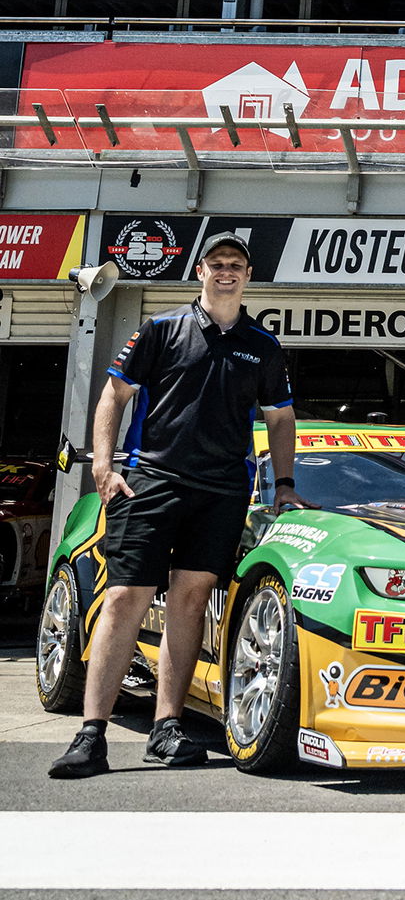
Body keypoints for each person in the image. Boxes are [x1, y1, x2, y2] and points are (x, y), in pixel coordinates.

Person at [49, 232, 313, 779]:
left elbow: (281, 419)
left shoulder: (263, 346)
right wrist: (103, 465)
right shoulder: (161, 329)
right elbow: (113, 394)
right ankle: (91, 734)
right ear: (200, 271)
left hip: (221, 491)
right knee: (124, 598)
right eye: (216, 264)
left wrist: (284, 482)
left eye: (236, 265)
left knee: (189, 602)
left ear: (247, 275)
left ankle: (167, 729)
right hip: (152, 482)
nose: (226, 272)